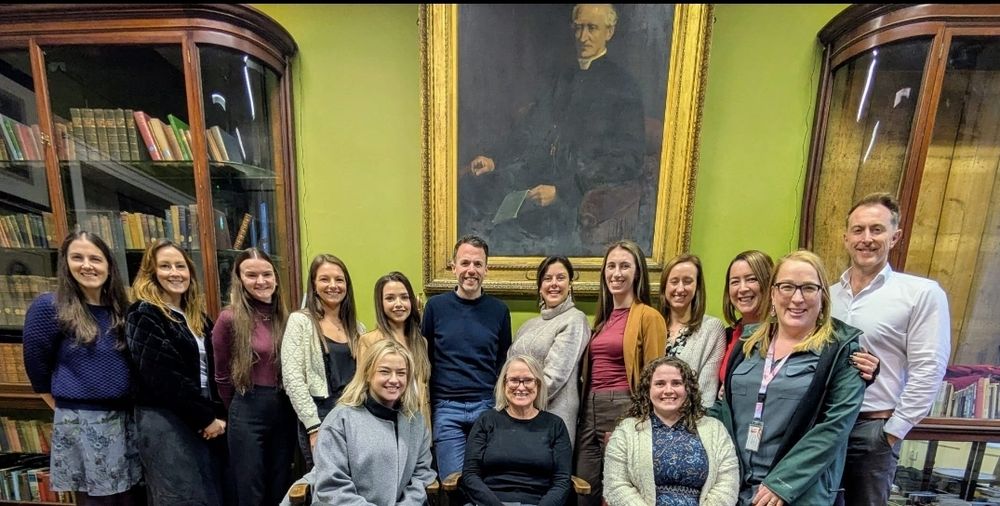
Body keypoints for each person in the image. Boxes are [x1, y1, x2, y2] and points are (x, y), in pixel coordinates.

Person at [460, 3, 646, 256]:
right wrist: (495, 159)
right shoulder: (560, 78)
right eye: (578, 28)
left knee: (514, 235)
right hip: (533, 178)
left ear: (609, 32)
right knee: (472, 190)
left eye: (592, 28)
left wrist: (563, 192)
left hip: (575, 192)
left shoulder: (623, 86)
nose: (583, 37)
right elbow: (528, 129)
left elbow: (628, 160)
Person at [713, 250, 864, 506]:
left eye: (808, 288)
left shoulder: (841, 351)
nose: (797, 298)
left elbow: (835, 427)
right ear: (773, 293)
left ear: (823, 296)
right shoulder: (747, 343)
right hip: (736, 488)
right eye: (787, 287)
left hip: (796, 493)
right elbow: (724, 408)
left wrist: (782, 484)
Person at [832, 192, 951, 506]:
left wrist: (891, 432)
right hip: (824, 428)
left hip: (872, 428)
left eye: (877, 230)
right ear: (846, 238)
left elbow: (929, 368)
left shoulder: (920, 294)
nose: (866, 239)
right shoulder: (827, 297)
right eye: (858, 230)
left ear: (895, 237)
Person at [22, 231, 143, 505]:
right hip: (84, 423)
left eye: (95, 259)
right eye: (78, 258)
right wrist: (66, 408)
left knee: (132, 497)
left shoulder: (123, 309)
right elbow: (37, 368)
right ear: (66, 263)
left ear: (109, 266)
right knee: (98, 501)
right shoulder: (49, 307)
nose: (87, 266)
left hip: (126, 418)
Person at [126, 239, 228, 505]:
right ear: (151, 273)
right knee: (179, 497)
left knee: (209, 495)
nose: (175, 273)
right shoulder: (143, 313)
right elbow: (164, 376)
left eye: (180, 266)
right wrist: (205, 418)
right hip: (166, 421)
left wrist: (215, 415)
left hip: (202, 417)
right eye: (165, 266)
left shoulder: (197, 317)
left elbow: (214, 369)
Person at [285, 339, 436, 506]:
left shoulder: (415, 421)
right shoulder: (340, 420)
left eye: (401, 373)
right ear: (368, 374)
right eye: (385, 372)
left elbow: (422, 476)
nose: (394, 380)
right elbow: (332, 487)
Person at [577, 239, 667, 506]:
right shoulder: (602, 320)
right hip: (589, 409)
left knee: (616, 492)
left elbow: (655, 376)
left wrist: (641, 419)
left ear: (637, 273)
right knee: (584, 490)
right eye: (611, 266)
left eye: (624, 266)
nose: (616, 273)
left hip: (624, 407)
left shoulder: (649, 317)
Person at [422, 234, 512, 479]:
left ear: (486, 270)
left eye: (478, 264)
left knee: (488, 481)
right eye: (465, 263)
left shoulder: (499, 311)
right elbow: (426, 359)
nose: (471, 270)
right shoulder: (435, 307)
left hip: (486, 406)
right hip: (446, 407)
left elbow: (502, 361)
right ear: (454, 268)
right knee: (453, 482)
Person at [211, 247, 295, 506]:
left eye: (267, 274)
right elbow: (221, 375)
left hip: (284, 408)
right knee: (251, 490)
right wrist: (237, 409)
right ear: (240, 279)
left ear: (276, 278)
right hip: (247, 408)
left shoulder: (287, 318)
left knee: (281, 486)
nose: (261, 281)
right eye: (251, 275)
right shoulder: (229, 319)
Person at [604, 356, 739, 506]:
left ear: (688, 388)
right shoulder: (627, 430)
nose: (668, 390)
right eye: (660, 384)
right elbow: (615, 485)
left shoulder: (715, 429)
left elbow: (728, 486)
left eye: (676, 383)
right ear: (647, 389)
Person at [281, 253, 365, 470]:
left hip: (355, 416)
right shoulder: (300, 322)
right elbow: (292, 379)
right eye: (325, 279)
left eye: (339, 280)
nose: (333, 285)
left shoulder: (357, 328)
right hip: (320, 416)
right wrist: (313, 427)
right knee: (326, 480)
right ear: (314, 285)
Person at [461, 354, 573, 506]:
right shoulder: (486, 420)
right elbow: (470, 474)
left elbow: (562, 481)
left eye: (528, 380)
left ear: (538, 384)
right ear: (504, 384)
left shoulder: (555, 425)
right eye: (514, 380)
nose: (521, 387)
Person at [507, 255, 589, 439]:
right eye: (547, 278)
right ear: (540, 286)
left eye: (560, 278)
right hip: (519, 413)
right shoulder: (528, 325)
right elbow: (509, 368)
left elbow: (555, 377)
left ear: (570, 284)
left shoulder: (574, 319)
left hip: (554, 414)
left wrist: (521, 400)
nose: (554, 284)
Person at [358, 271, 432, 425]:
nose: (399, 304)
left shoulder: (421, 342)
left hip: (419, 421)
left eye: (404, 297)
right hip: (385, 422)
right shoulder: (369, 341)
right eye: (390, 298)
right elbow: (363, 389)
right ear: (380, 303)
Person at [659, 253, 726, 407]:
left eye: (687, 281)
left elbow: (707, 392)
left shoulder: (712, 328)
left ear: (697, 287)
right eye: (674, 281)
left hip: (692, 417)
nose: (680, 288)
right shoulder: (653, 326)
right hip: (650, 417)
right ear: (665, 286)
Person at [719, 250, 774, 387]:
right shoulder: (725, 337)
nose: (742, 288)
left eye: (751, 279)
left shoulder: (781, 335)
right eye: (735, 282)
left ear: (769, 283)